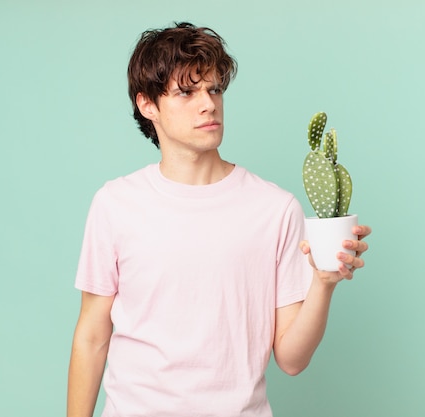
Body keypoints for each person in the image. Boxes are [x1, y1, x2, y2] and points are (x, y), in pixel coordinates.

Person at [67, 22, 371, 417]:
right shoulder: (115, 204)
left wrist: (324, 283)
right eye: (187, 92)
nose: (208, 104)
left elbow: (292, 360)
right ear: (148, 105)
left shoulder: (275, 209)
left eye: (214, 89)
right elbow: (92, 337)